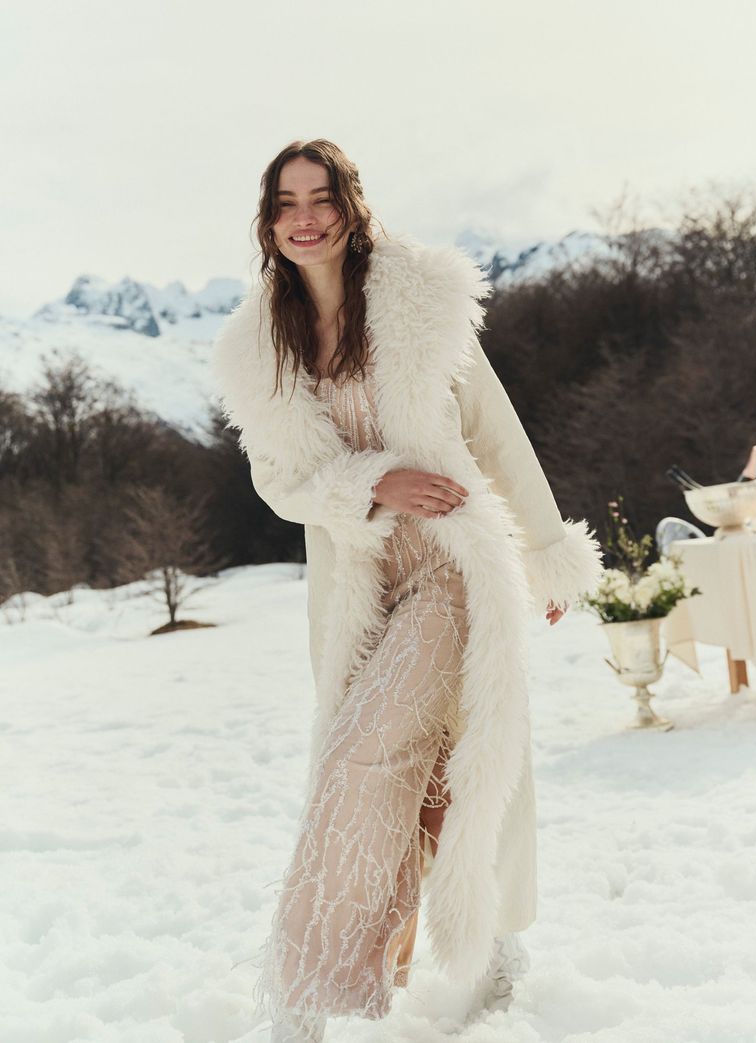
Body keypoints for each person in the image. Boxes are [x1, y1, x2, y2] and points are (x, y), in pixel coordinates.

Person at [210, 138, 604, 1043]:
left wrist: (544, 550)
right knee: (417, 775)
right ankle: (489, 947)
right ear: (269, 225)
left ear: (351, 207)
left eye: (321, 198)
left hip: (452, 573)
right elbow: (277, 480)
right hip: (359, 587)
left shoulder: (419, 304)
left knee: (364, 755)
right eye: (285, 204)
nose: (305, 217)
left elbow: (496, 434)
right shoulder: (256, 349)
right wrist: (371, 483)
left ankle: (306, 995)